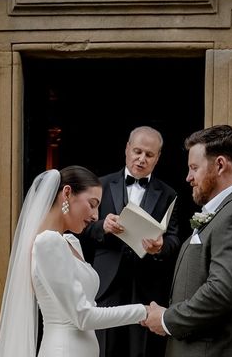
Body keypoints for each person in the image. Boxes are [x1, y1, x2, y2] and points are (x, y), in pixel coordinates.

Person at [143, 124, 232, 357]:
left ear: (220, 165)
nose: (188, 177)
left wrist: (166, 319)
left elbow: (222, 293)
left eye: (194, 168)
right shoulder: (225, 211)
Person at [0, 165, 148, 357]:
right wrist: (144, 312)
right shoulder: (48, 243)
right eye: (92, 204)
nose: (95, 216)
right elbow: (83, 316)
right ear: (67, 193)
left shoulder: (70, 242)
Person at [81, 126, 181, 357]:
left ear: (158, 158)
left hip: (146, 286)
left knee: (141, 351)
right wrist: (102, 226)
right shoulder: (101, 185)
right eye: (137, 151)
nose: (141, 159)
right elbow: (80, 228)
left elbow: (175, 238)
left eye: (149, 154)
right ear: (127, 149)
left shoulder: (168, 194)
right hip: (106, 284)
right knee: (103, 348)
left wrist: (161, 246)